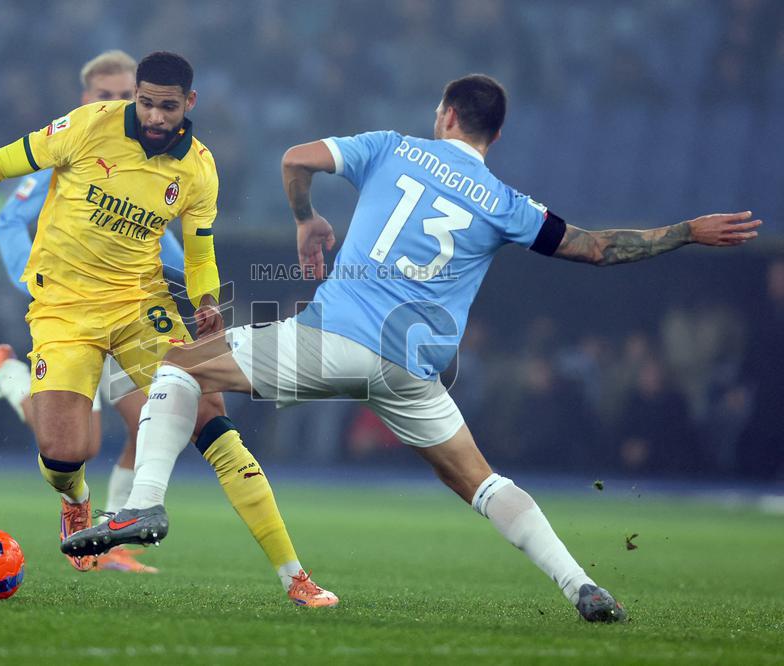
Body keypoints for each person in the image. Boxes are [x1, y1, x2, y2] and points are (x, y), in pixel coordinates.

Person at [62, 74, 761, 622]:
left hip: (331, 340)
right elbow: (599, 249)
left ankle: (145, 502)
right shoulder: (509, 202)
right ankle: (582, 584)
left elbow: (295, 158)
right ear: (493, 133)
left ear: (446, 115)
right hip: (413, 372)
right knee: (482, 483)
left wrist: (307, 220)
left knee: (180, 367)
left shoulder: (393, 147)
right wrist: (685, 232)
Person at [0, 51, 337, 607]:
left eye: (166, 106)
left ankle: (295, 577)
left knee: (210, 418)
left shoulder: (198, 167)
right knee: (64, 451)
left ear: (189, 104)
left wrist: (205, 301)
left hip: (140, 306)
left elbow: (199, 251)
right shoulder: (85, 128)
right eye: (145, 102)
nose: (153, 115)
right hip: (64, 307)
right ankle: (74, 498)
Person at [0, 50, 184, 574]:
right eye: (103, 96)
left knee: (148, 420)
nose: (114, 105)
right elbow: (8, 221)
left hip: (124, 308)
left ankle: (111, 538)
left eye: (123, 96)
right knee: (77, 438)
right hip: (68, 308)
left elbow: (160, 238)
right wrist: (30, 280)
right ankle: (9, 378)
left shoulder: (146, 159)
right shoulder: (70, 149)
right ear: (86, 99)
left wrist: (194, 292)